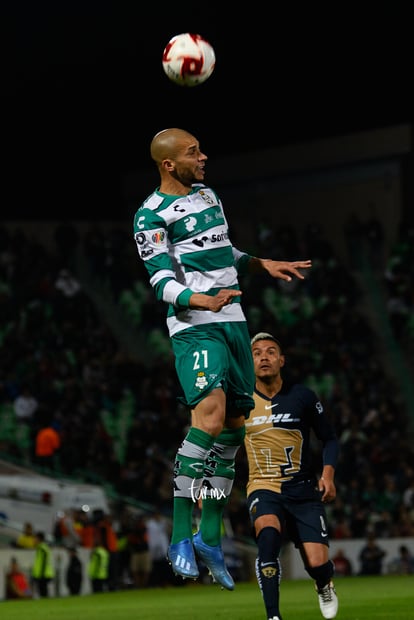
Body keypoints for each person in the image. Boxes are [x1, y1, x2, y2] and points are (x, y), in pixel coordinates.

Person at [133, 128, 312, 590]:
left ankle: (209, 534)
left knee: (235, 428)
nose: (204, 157)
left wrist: (259, 263)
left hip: (234, 323)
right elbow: (160, 282)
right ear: (169, 164)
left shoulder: (208, 194)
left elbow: (222, 250)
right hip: (195, 326)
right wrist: (201, 300)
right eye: (194, 152)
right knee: (209, 419)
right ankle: (179, 535)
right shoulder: (149, 215)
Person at [245, 332, 339, 620]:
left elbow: (330, 439)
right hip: (263, 488)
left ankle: (324, 584)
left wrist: (328, 475)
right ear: (250, 362)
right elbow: (221, 442)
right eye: (257, 352)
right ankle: (273, 616)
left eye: (271, 352)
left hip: (303, 490)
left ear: (281, 360)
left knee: (316, 563)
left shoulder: (303, 396)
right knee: (268, 538)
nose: (264, 356)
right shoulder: (240, 401)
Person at [31, 531, 55, 597]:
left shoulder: (42, 548)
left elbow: (43, 563)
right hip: (41, 574)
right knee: (42, 592)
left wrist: (41, 575)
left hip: (43, 574)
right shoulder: (41, 548)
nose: (34, 540)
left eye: (35, 538)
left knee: (43, 593)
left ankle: (47, 605)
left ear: (39, 539)